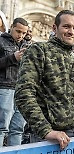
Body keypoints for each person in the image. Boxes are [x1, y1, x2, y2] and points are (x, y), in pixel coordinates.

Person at [15, 10, 74, 150]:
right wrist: (46, 131)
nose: (71, 32)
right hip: (47, 135)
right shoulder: (39, 50)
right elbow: (23, 93)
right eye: (66, 26)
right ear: (54, 28)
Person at [0, 17, 28, 147]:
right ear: (11, 27)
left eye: (24, 33)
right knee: (2, 127)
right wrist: (13, 57)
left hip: (22, 92)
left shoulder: (26, 45)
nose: (20, 36)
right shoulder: (1, 41)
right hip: (5, 88)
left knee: (17, 129)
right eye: (18, 31)